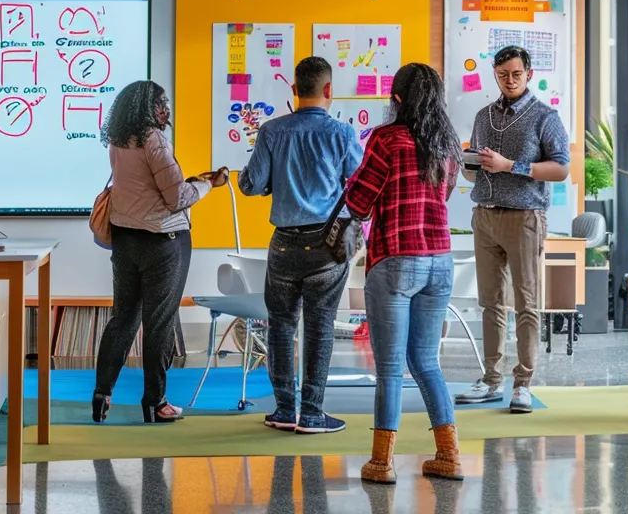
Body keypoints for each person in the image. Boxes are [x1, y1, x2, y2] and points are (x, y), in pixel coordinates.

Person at [345, 63, 462, 484]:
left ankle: (381, 462)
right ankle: (448, 455)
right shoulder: (447, 144)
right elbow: (442, 194)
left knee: (390, 367)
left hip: (396, 258)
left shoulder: (387, 139)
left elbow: (360, 199)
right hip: (440, 261)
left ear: (397, 99)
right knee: (427, 362)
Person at [239, 56, 365, 434]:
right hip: (326, 245)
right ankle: (311, 414)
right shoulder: (342, 134)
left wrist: (276, 179)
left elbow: (250, 185)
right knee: (320, 327)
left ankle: (282, 410)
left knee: (280, 326)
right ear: (329, 90)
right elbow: (360, 186)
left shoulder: (272, 131)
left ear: (294, 89)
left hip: (283, 246)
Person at [91, 80, 226, 425]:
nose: (166, 109)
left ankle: (101, 394)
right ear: (146, 109)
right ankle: (156, 403)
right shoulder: (154, 140)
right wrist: (207, 184)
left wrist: (187, 182)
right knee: (159, 323)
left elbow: (148, 186)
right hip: (163, 242)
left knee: (123, 318)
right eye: (160, 104)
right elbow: (176, 199)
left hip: (125, 240)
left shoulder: (119, 140)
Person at [455, 45, 571, 413]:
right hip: (485, 215)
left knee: (526, 303)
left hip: (524, 218)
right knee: (489, 303)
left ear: (529, 74)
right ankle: (491, 379)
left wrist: (509, 166)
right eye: (503, 74)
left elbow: (561, 169)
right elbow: (472, 169)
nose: (509, 80)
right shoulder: (483, 115)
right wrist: (468, 162)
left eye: (516, 74)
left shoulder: (544, 117)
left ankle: (523, 382)